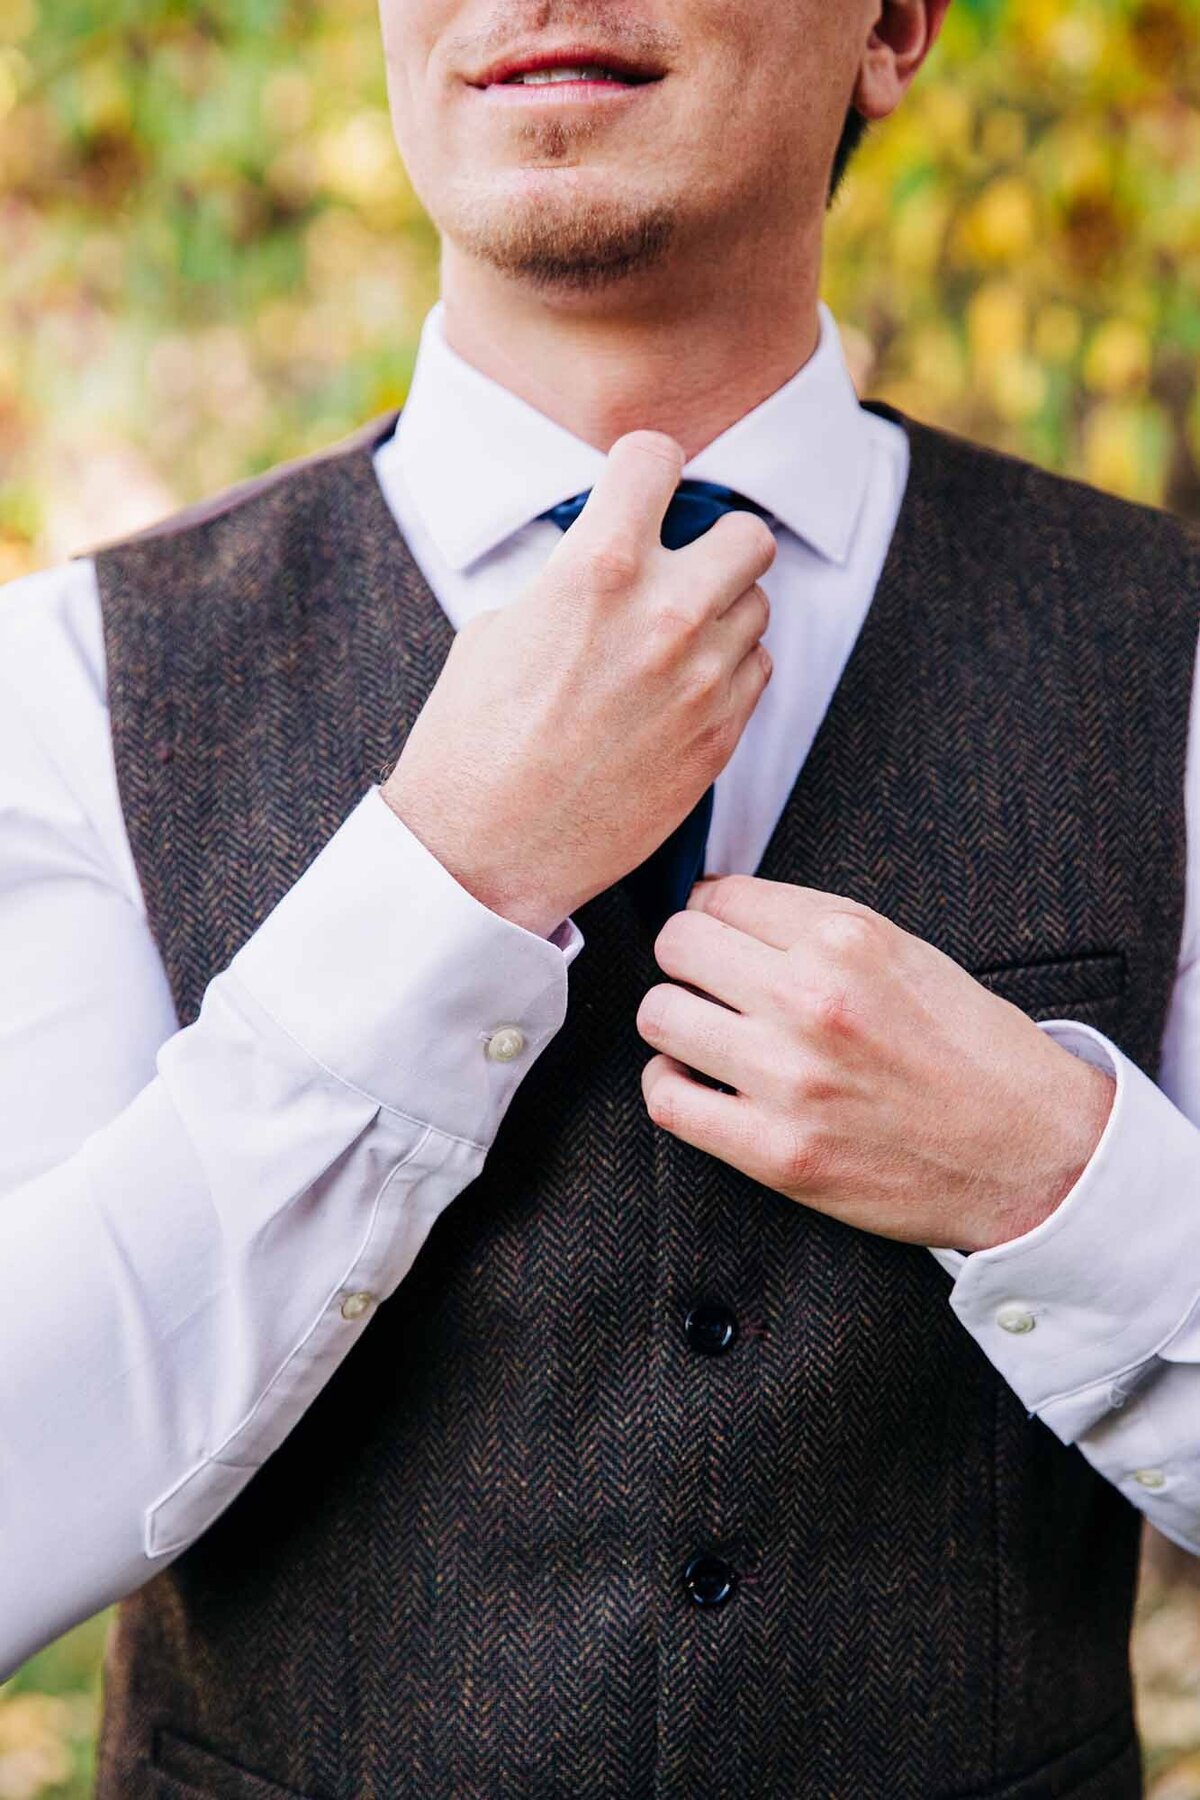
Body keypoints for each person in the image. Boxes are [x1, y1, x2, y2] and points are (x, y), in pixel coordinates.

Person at [1, 0, 1198, 1791]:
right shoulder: (72, 684)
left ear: (890, 26)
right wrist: (443, 887)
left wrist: (1060, 1179)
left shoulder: (1166, 655)